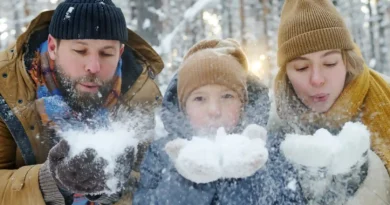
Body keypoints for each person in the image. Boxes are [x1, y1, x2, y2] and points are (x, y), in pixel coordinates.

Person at [0, 0, 164, 204]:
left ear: (120, 53)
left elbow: (152, 187)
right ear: (53, 47)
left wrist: (115, 188)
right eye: (80, 51)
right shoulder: (5, 88)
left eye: (106, 53)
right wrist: (49, 182)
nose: (93, 67)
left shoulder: (141, 97)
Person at [132, 39, 306, 205]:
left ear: (243, 104)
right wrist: (187, 179)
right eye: (200, 99)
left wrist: (251, 175)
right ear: (183, 107)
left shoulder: (268, 148)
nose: (214, 110)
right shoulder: (163, 153)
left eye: (227, 96)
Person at [269, 0, 390, 204]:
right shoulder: (271, 130)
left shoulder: (385, 98)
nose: (317, 79)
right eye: (301, 67)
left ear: (347, 62)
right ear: (286, 74)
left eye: (329, 63)